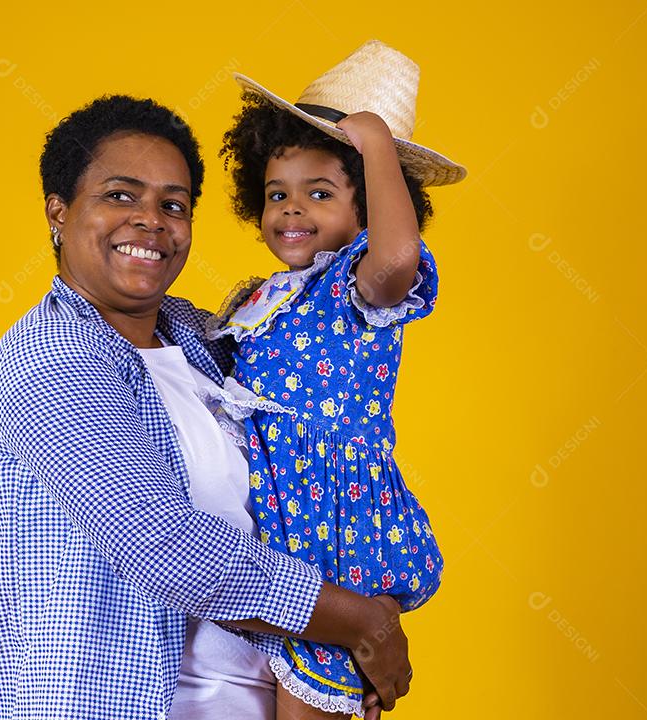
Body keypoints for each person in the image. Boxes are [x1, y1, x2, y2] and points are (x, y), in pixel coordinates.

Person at [0, 94, 410, 720]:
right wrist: (357, 621)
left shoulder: (208, 338)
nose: (151, 221)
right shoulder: (50, 359)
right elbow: (164, 547)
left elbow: (312, 458)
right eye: (120, 196)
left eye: (173, 205)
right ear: (59, 212)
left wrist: (339, 660)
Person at [209, 40, 466, 718]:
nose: (292, 210)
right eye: (277, 194)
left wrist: (377, 146)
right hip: (267, 531)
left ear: (369, 212)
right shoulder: (262, 297)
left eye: (320, 193)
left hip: (330, 538)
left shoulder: (358, 286)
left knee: (307, 701)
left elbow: (399, 255)